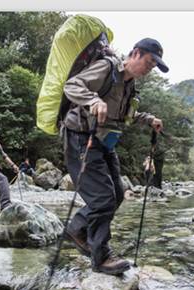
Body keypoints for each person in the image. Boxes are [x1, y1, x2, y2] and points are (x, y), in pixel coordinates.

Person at [62, 38, 167, 275]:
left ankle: (77, 228)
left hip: (104, 142)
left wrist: (148, 119)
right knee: (102, 199)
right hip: (81, 136)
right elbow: (71, 86)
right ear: (136, 53)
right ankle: (101, 257)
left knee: (118, 194)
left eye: (154, 67)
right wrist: (93, 100)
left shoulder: (129, 85)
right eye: (150, 63)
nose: (150, 70)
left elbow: (124, 115)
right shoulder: (108, 68)